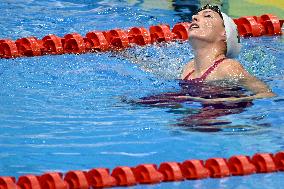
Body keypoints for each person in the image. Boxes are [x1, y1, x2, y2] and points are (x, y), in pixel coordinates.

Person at [178, 4, 276, 103]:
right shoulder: (188, 69)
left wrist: (224, 100)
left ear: (225, 33)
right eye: (196, 15)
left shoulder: (227, 67)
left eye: (207, 16)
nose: (194, 17)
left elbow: (267, 94)